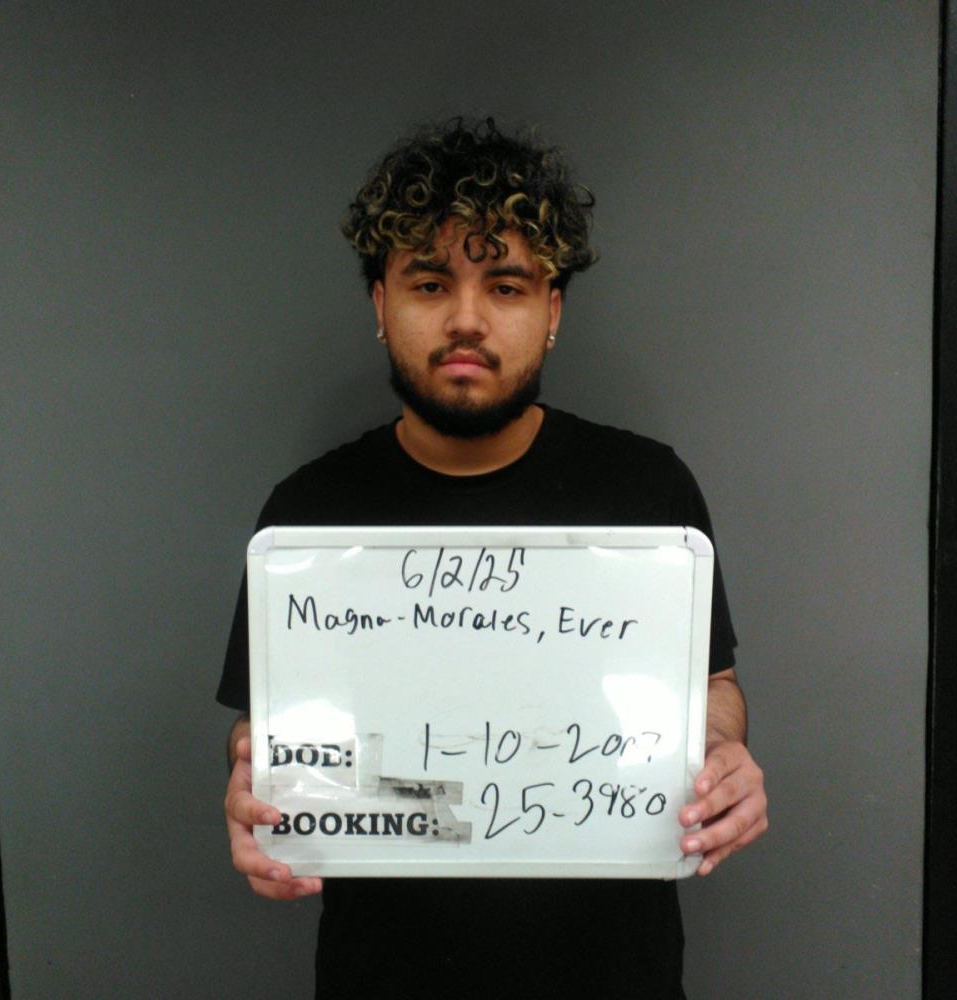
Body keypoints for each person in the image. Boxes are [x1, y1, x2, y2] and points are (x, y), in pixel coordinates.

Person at [218, 118, 767, 999]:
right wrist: (254, 783)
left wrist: (721, 755)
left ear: (551, 313)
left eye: (505, 285)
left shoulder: (647, 490)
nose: (466, 319)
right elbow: (267, 727)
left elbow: (714, 687)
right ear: (381, 305)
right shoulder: (309, 516)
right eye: (430, 282)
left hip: (611, 975)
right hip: (384, 977)